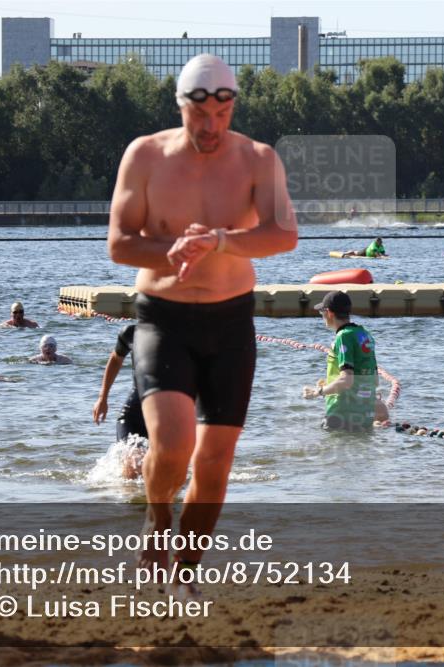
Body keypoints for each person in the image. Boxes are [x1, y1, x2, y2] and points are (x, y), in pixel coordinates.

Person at [106, 53, 298, 589]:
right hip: (163, 318)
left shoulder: (258, 159)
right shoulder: (144, 156)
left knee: (215, 463)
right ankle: (155, 514)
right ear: (180, 106)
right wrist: (172, 250)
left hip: (230, 321)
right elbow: (119, 244)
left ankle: (185, 572)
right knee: (173, 445)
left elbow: (284, 233)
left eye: (223, 113)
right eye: (200, 115)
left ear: (233, 106)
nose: (212, 127)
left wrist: (217, 240)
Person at [301, 291, 379, 431]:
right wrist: (330, 384)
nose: (322, 317)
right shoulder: (364, 334)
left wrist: (318, 392)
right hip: (365, 416)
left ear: (329, 313)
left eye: (322, 313)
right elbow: (374, 380)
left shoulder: (343, 336)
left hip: (342, 415)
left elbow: (346, 381)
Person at [93, 325, 148, 480]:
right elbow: (115, 359)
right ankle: (128, 501)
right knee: (134, 464)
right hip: (134, 415)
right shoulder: (132, 333)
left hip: (168, 418)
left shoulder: (182, 335)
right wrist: (102, 397)